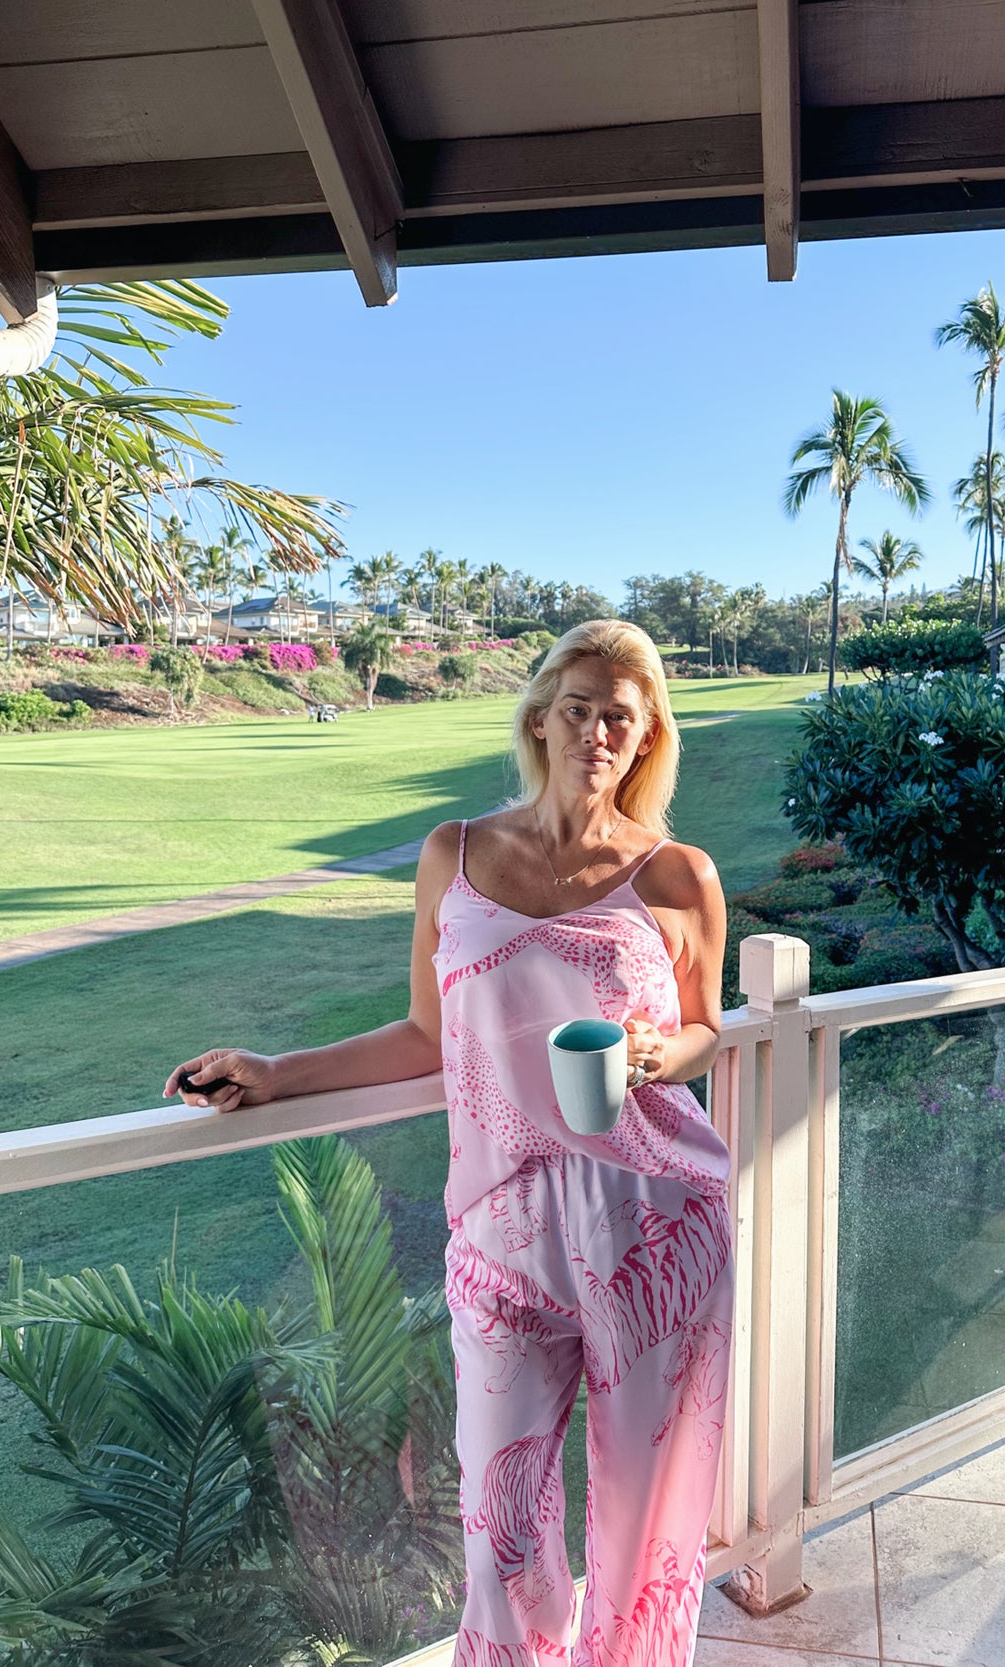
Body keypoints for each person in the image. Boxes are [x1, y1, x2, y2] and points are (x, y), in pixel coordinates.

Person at [166, 619, 733, 1666]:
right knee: (500, 1524)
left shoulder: (677, 876)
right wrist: (277, 1072)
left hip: (653, 1223)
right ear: (539, 718)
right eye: (579, 708)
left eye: (621, 714)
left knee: (639, 1522)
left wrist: (662, 1053)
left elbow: (704, 1026)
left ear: (646, 733)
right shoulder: (455, 854)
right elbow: (428, 1032)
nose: (597, 730)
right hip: (499, 1228)